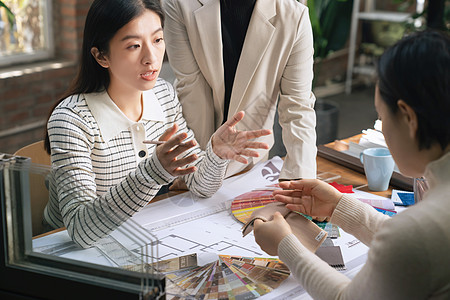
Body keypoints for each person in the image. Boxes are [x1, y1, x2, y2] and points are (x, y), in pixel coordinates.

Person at [43, 0, 271, 249]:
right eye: (134, 46)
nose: (151, 58)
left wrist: (216, 155)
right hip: (64, 250)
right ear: (101, 56)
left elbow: (199, 185)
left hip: (139, 235)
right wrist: (152, 173)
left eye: (158, 40)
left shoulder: (163, 95)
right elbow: (80, 231)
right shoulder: (71, 119)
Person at [253, 30, 450, 299]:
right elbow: (416, 245)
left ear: (408, 117)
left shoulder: (418, 231)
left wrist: (285, 245)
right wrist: (338, 207)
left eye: (382, 116)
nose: (382, 128)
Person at [163, 0, 317, 180]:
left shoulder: (294, 16)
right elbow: (192, 91)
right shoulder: (179, 4)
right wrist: (200, 169)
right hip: (197, 148)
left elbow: (297, 108)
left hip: (249, 161)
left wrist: (300, 180)